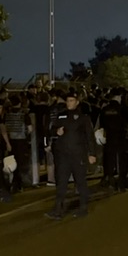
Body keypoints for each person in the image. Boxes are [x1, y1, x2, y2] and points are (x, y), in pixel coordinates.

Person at [47, 90, 96, 219]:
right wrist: (56, 131)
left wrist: (92, 154)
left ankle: (83, 207)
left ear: (77, 102)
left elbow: (90, 137)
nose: (69, 103)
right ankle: (58, 209)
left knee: (80, 182)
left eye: (72, 101)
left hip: (78, 155)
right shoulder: (61, 116)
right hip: (63, 155)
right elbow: (51, 129)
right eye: (68, 100)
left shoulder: (83, 118)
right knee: (61, 183)